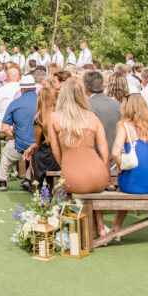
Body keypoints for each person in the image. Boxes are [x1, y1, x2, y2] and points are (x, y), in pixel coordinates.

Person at [48, 76, 108, 233]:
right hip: (99, 176)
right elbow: (104, 150)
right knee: (92, 192)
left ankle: (71, 229)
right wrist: (105, 171)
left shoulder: (55, 118)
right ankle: (100, 227)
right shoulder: (92, 117)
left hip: (73, 176)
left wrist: (65, 166)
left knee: (65, 189)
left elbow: (55, 150)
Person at [110, 94, 148, 234]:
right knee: (131, 175)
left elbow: (115, 152)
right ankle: (116, 225)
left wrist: (120, 166)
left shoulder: (125, 125)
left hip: (132, 184)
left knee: (125, 177)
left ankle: (116, 225)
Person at [0, 75, 38, 192]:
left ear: (21, 90)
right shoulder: (43, 102)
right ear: (35, 88)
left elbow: (4, 128)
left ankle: (2, 180)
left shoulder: (15, 103)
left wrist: (14, 135)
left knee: (6, 153)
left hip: (21, 144)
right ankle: (28, 178)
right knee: (36, 154)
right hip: (39, 145)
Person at [23, 84, 59, 190]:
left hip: (47, 156)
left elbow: (38, 142)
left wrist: (31, 147)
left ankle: (36, 184)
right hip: (59, 155)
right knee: (35, 151)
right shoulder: (61, 116)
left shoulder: (39, 119)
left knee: (35, 154)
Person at [85, 71, 120, 167]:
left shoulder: (87, 107)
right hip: (116, 161)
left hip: (95, 161)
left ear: (86, 87)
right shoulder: (117, 104)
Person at [0, 67, 23, 149]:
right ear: (19, 77)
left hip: (4, 123)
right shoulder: (23, 90)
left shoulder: (0, 90)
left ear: (7, 78)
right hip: (21, 124)